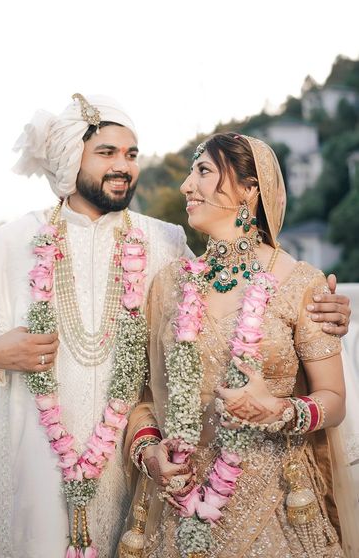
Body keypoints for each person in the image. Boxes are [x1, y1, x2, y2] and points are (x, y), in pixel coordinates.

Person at [0, 98, 349, 558]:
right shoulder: (16, 242)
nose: (123, 166)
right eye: (107, 153)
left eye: (132, 154)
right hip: (48, 452)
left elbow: (231, 309)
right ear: (70, 159)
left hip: (146, 474)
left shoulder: (163, 241)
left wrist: (329, 315)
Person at [120, 133, 358, 558]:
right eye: (191, 172)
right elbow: (145, 397)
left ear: (251, 189)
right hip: (179, 498)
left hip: (275, 500)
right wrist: (149, 452)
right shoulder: (169, 284)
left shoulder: (302, 284)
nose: (186, 186)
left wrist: (281, 410)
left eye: (203, 172)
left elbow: (335, 400)